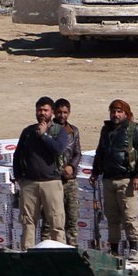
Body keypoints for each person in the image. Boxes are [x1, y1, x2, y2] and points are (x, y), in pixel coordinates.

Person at [90, 99, 138, 262]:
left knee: (129, 215)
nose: (116, 114)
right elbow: (100, 151)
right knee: (112, 216)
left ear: (126, 113)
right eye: (113, 111)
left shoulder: (134, 129)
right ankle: (114, 250)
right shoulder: (106, 130)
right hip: (108, 179)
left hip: (126, 179)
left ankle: (133, 248)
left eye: (119, 111)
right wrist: (95, 171)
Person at [13, 96, 69, 250]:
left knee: (56, 222)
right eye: (39, 110)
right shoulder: (28, 131)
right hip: (29, 184)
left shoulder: (59, 131)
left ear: (52, 112)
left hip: (51, 183)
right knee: (28, 222)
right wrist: (19, 178)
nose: (42, 113)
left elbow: (58, 149)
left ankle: (60, 255)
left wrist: (44, 135)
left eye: (45, 110)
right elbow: (17, 155)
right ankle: (26, 253)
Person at [53, 98, 82, 248]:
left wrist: (72, 166)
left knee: (72, 217)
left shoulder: (73, 131)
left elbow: (77, 152)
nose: (62, 115)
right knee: (53, 218)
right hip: (53, 180)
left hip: (70, 180)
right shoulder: (49, 130)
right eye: (59, 112)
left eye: (65, 112)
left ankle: (72, 246)